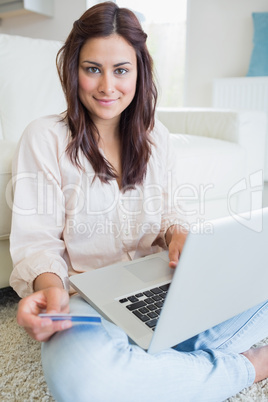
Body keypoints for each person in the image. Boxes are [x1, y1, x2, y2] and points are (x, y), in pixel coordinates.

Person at [9, 2, 268, 401]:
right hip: (86, 302)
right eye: (92, 68)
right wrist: (51, 291)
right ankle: (242, 366)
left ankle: (157, 363)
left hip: (160, 287)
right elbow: (38, 243)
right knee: (90, 384)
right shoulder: (43, 138)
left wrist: (179, 235)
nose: (107, 87)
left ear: (139, 71)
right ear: (73, 69)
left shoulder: (155, 136)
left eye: (121, 70)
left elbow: (170, 213)